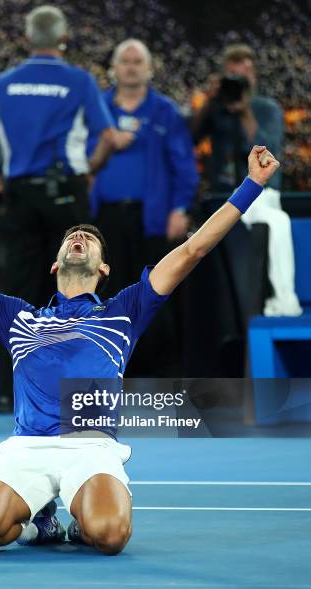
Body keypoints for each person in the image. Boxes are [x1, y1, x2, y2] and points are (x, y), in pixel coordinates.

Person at [0, 143, 279, 555]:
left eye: (90, 239)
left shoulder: (126, 310)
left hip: (90, 449)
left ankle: (77, 522)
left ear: (103, 268)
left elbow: (193, 249)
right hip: (27, 447)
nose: (79, 236)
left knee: (109, 535)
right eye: (72, 236)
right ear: (56, 263)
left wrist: (251, 185)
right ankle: (39, 525)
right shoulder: (15, 316)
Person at [0, 5, 131, 411]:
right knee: (78, 288)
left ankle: (7, 391)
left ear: (27, 39)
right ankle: (81, 391)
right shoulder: (79, 80)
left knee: (16, 291)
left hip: (18, 195)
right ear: (63, 38)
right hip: (65, 194)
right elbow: (107, 135)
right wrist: (90, 169)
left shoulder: (6, 82)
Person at [90, 39, 199, 376]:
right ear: (114, 68)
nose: (132, 66)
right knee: (108, 295)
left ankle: (162, 373)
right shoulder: (96, 109)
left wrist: (180, 209)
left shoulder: (166, 111)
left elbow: (185, 167)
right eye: (126, 60)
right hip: (103, 220)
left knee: (155, 293)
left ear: (149, 69)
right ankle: (116, 370)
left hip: (152, 220)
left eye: (138, 61)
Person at [191, 43, 301, 317]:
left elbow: (268, 152)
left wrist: (244, 111)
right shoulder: (215, 109)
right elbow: (189, 138)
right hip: (223, 195)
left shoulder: (267, 108)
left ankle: (283, 300)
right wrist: (208, 102)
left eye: (244, 76)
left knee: (277, 221)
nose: (238, 83)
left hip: (261, 194)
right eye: (233, 76)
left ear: (253, 77)